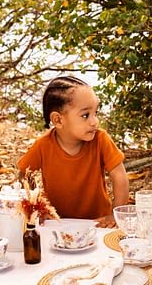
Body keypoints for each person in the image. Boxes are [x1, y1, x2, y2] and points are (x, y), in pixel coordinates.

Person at [17, 75, 130, 228]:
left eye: (95, 113)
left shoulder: (101, 140)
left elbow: (120, 177)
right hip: (58, 224)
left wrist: (115, 216)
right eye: (85, 115)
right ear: (58, 120)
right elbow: (23, 174)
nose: (94, 121)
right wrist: (37, 206)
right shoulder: (43, 145)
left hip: (98, 223)